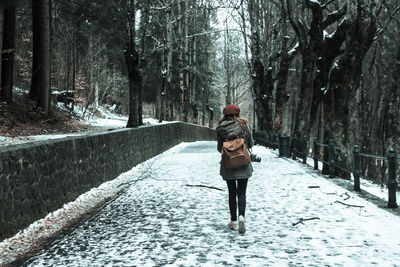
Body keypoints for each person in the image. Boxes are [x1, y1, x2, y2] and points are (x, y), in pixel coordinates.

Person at [216, 104, 253, 234]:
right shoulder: (244, 126)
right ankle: (241, 216)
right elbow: (251, 143)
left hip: (228, 164)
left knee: (232, 193)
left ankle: (233, 221)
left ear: (225, 115)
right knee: (242, 192)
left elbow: (219, 148)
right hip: (243, 163)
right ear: (238, 114)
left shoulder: (221, 128)